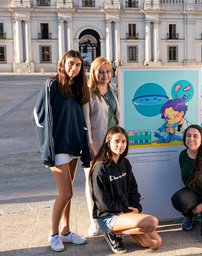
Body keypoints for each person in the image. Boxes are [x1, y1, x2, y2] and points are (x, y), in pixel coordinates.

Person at [33, 50, 91, 252]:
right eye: (71, 63)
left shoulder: (78, 88)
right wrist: (46, 147)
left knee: (69, 193)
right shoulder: (51, 85)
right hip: (58, 148)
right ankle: (53, 234)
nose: (74, 68)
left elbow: (82, 117)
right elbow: (39, 117)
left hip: (74, 145)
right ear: (63, 63)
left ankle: (66, 232)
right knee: (65, 193)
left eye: (78, 65)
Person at [91, 127, 162, 253]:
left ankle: (119, 230)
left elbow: (133, 188)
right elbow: (103, 203)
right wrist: (126, 210)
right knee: (152, 222)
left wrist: (137, 207)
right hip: (108, 216)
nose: (120, 145)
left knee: (155, 243)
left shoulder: (125, 163)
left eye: (123, 141)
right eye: (116, 141)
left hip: (126, 212)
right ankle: (111, 232)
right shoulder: (101, 167)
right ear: (108, 142)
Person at [83, 57, 120, 236]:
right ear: (94, 73)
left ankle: (110, 216)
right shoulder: (88, 91)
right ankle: (93, 221)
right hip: (96, 143)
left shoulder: (113, 89)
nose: (105, 75)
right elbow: (85, 121)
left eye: (107, 71)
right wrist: (90, 145)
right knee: (92, 183)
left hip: (113, 145)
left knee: (111, 181)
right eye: (101, 71)